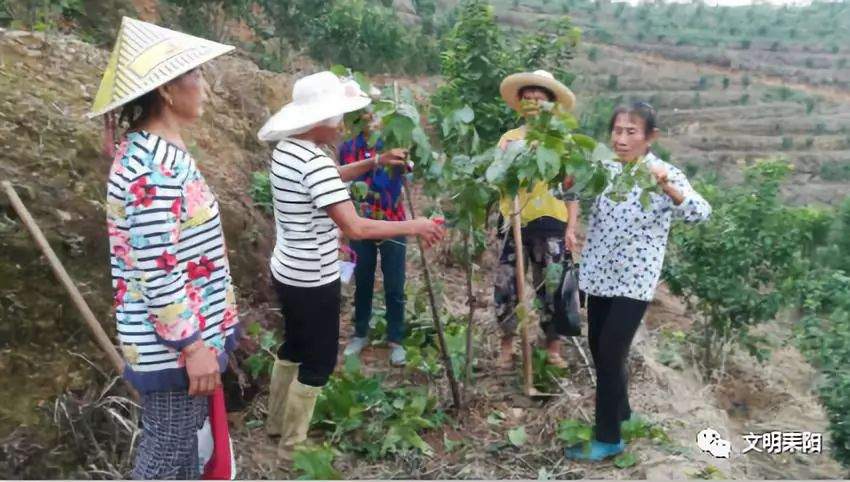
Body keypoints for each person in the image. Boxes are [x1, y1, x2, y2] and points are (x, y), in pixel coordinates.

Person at [257, 71, 445, 460]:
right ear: (318, 121)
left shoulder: (289, 151)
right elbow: (355, 226)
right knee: (320, 360)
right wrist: (416, 225)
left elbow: (327, 180)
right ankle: (292, 448)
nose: (341, 123)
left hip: (287, 270)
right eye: (336, 116)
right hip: (313, 278)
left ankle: (276, 425)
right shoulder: (316, 163)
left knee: (293, 345)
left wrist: (374, 161)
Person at [93, 17, 240, 479]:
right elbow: (158, 271)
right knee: (167, 452)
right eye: (195, 76)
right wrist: (193, 346)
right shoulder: (150, 167)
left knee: (180, 449)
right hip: (174, 350)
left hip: (185, 339)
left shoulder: (161, 152)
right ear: (166, 91)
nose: (204, 87)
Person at [566, 102, 711, 461]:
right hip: (598, 273)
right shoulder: (602, 169)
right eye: (617, 130)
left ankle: (608, 437)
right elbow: (568, 193)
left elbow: (700, 212)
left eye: (631, 131)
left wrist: (666, 188)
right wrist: (565, 177)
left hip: (634, 281)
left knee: (612, 352)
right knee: (601, 350)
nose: (622, 138)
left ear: (650, 137)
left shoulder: (662, 172)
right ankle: (623, 414)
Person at [493, 70, 581, 370]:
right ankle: (508, 346)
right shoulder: (509, 139)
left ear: (551, 105)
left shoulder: (561, 141)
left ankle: (552, 348)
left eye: (539, 99)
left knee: (552, 288)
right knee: (507, 285)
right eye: (527, 99)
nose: (533, 104)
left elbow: (571, 190)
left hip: (551, 223)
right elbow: (497, 179)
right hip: (513, 221)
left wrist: (572, 228)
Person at [338, 110, 412, 366]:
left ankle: (396, 340)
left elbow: (410, 174)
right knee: (363, 279)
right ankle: (360, 333)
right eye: (360, 115)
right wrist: (342, 228)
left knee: (394, 282)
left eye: (371, 113)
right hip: (361, 221)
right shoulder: (348, 147)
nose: (369, 119)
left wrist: (408, 165)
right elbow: (342, 184)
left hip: (393, 221)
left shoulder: (394, 142)